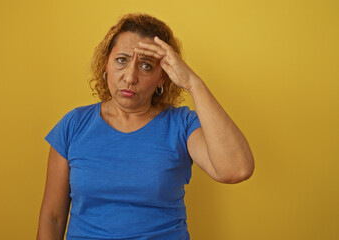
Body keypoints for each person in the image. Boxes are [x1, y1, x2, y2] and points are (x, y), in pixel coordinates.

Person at [37, 13, 254, 240]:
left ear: (163, 77)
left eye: (146, 66)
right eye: (121, 60)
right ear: (106, 64)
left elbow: (236, 169)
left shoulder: (181, 125)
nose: (130, 77)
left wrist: (192, 82)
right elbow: (53, 217)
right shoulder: (74, 125)